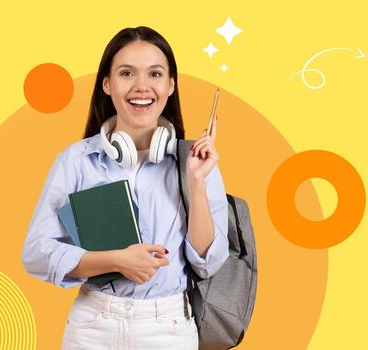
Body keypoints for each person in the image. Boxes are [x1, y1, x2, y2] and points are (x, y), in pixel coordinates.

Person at [21, 26, 229, 349]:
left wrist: (197, 182)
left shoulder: (196, 162)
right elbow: (36, 253)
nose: (141, 86)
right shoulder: (76, 161)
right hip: (92, 326)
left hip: (168, 328)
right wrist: (117, 260)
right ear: (107, 84)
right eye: (127, 73)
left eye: (155, 74)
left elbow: (207, 262)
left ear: (171, 85)